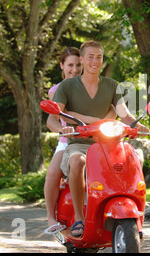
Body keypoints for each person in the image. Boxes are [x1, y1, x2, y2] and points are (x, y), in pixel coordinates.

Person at [47, 41, 149, 237]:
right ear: (82, 59)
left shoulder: (111, 85)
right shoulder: (67, 86)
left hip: (108, 144)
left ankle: (133, 217)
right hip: (79, 144)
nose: (95, 61)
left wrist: (137, 125)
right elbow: (52, 119)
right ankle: (79, 218)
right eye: (90, 57)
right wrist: (62, 130)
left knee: (134, 157)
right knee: (77, 161)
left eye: (99, 57)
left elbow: (125, 115)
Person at [43, 47, 116, 235]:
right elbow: (57, 118)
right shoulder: (57, 90)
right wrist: (63, 130)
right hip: (69, 141)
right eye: (69, 65)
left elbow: (114, 110)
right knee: (53, 174)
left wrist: (106, 121)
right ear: (61, 66)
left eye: (77, 64)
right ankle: (51, 217)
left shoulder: (94, 86)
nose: (74, 69)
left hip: (98, 138)